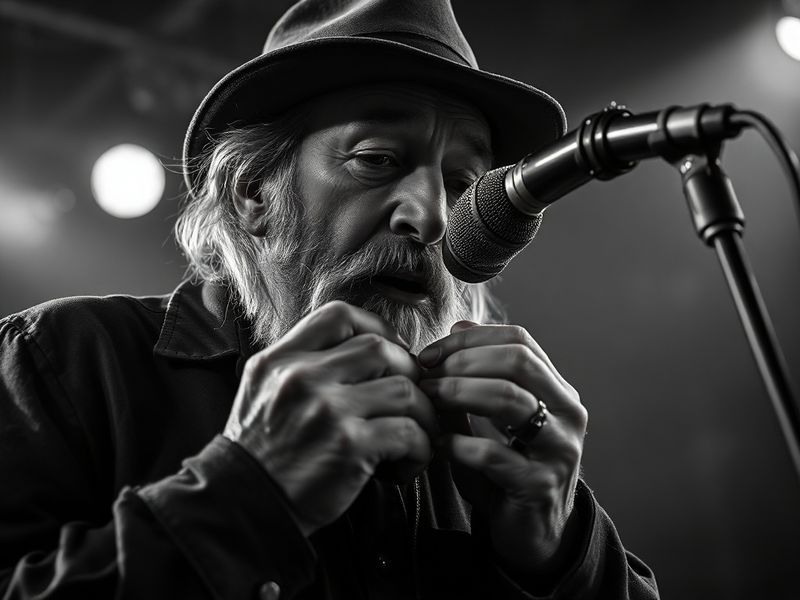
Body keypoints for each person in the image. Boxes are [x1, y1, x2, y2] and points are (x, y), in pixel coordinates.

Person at [0, 1, 659, 598]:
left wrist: (567, 556)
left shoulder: (493, 455)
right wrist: (248, 494)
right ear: (253, 193)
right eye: (375, 158)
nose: (431, 218)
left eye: (463, 185)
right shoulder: (65, 361)